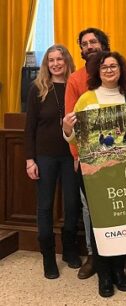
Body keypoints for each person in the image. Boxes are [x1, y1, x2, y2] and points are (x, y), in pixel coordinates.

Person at [64, 28, 126, 279]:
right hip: (92, 166)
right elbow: (73, 124)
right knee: (95, 213)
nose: (89, 46)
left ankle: (122, 262)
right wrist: (76, 155)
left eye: (93, 42)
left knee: (123, 210)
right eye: (84, 43)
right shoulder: (81, 88)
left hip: (124, 166)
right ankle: (96, 259)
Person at [24, 44, 81, 279]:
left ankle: (69, 250)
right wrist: (30, 159)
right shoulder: (37, 89)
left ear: (67, 61)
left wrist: (79, 155)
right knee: (45, 207)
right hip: (44, 156)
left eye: (60, 59)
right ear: (47, 64)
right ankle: (48, 257)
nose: (56, 63)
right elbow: (29, 129)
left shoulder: (76, 87)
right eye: (51, 60)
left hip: (70, 156)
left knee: (72, 205)